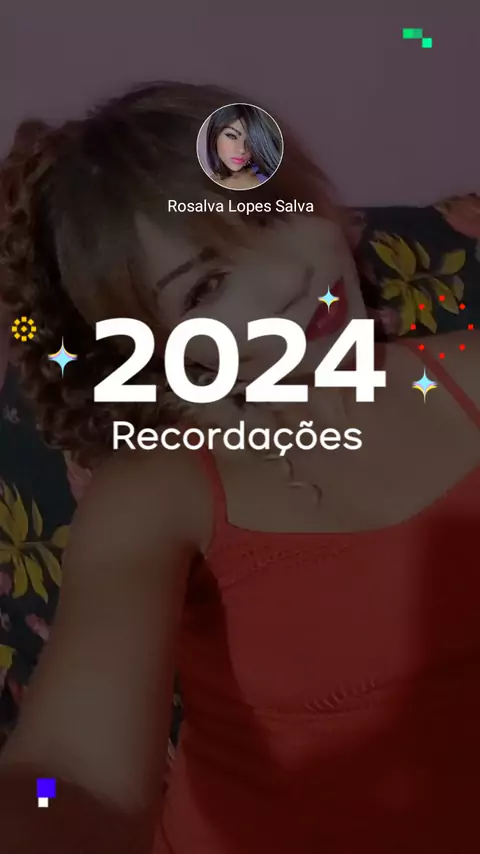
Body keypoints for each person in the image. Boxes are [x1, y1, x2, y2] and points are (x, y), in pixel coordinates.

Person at [0, 81, 479, 854]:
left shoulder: (467, 375)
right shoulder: (159, 487)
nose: (286, 278)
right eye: (207, 287)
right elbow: (70, 773)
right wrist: (43, 810)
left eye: (269, 215)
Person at [205, 103, 282, 189]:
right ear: (214, 135)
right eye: (232, 136)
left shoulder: (264, 177)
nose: (242, 149)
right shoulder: (208, 181)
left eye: (250, 141)